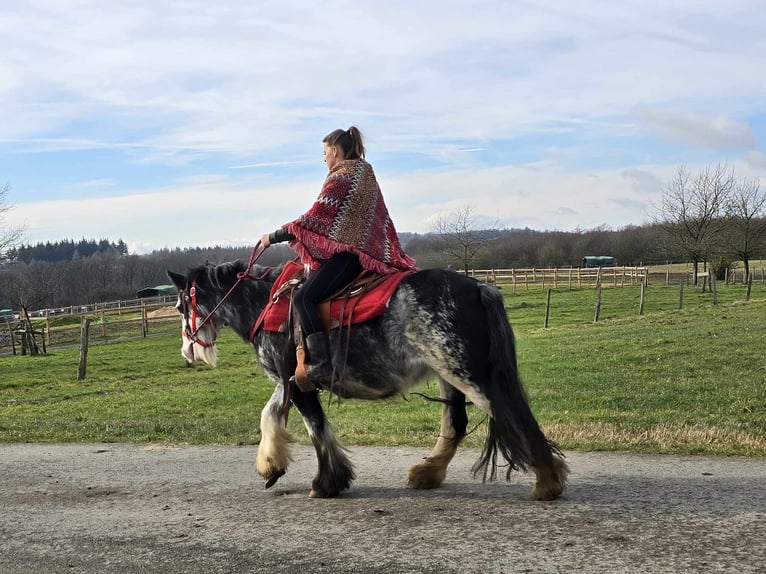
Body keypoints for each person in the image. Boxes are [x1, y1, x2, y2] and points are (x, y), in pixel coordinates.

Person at [261, 126, 416, 383]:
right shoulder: (365, 173)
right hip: (365, 253)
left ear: (335, 150)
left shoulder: (341, 175)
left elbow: (314, 219)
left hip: (349, 258)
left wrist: (273, 237)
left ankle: (321, 365)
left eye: (324, 152)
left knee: (303, 299)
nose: (323, 158)